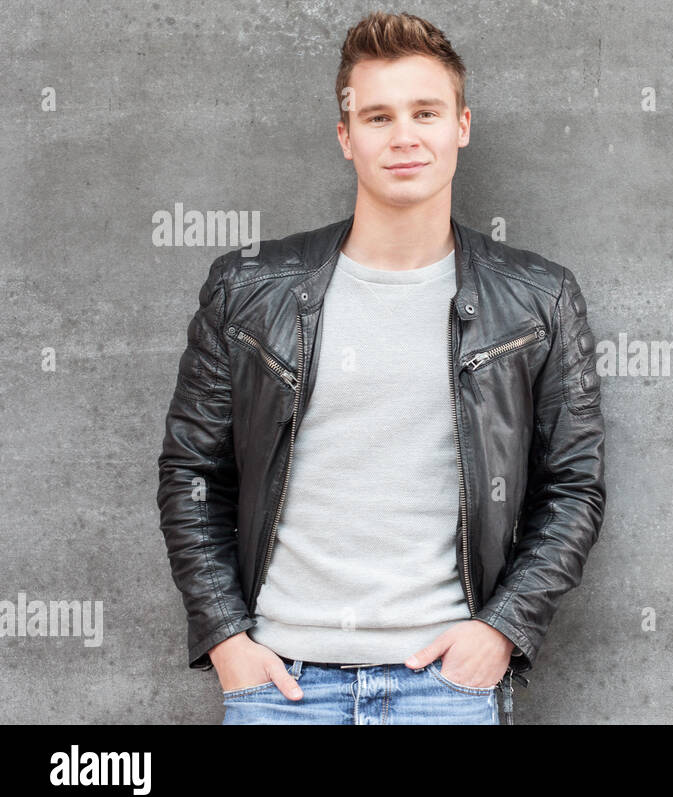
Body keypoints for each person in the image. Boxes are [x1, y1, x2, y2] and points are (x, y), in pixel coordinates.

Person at [155, 11, 607, 725]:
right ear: (346, 137)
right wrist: (228, 640)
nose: (403, 136)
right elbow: (192, 473)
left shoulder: (538, 298)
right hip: (282, 687)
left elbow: (573, 486)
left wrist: (501, 631)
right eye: (377, 116)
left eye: (425, 112)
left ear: (461, 124)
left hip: (445, 690)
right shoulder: (249, 288)